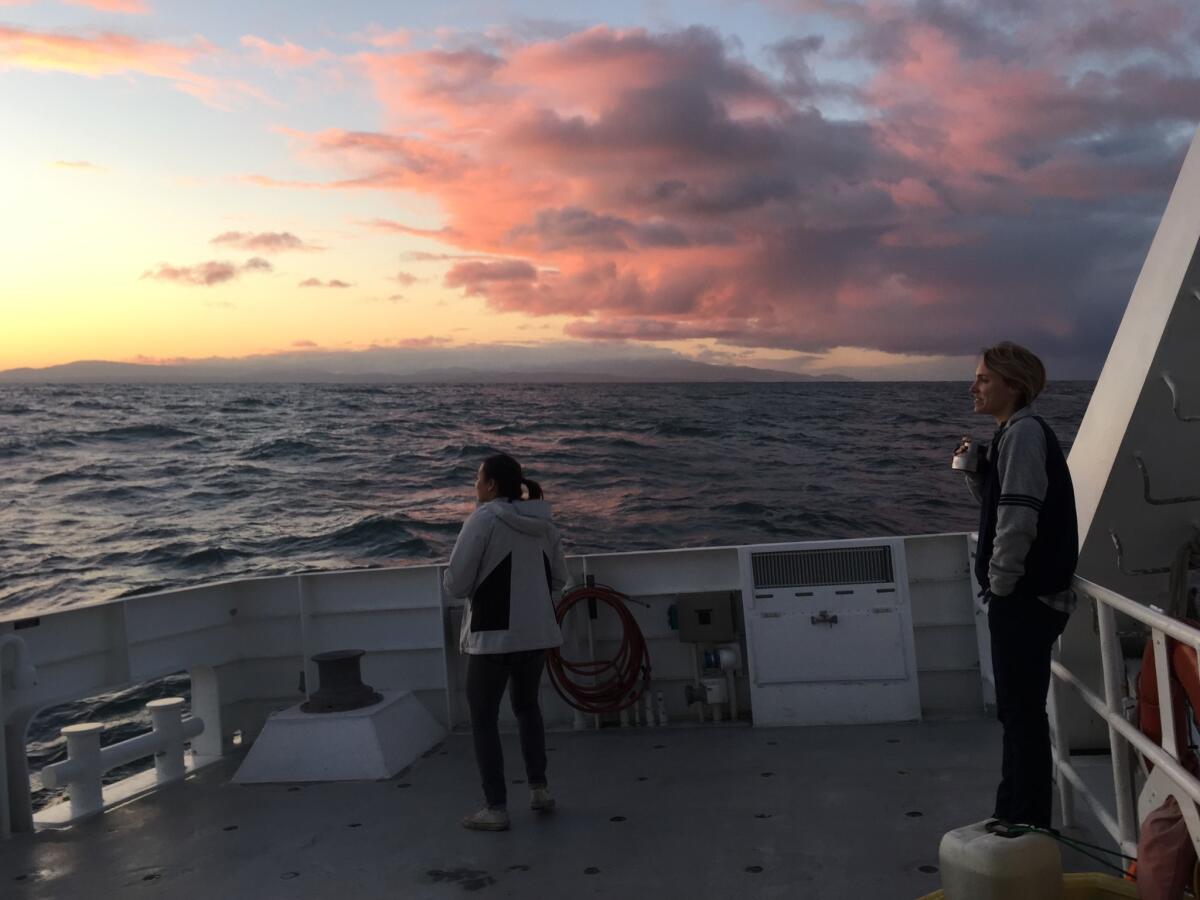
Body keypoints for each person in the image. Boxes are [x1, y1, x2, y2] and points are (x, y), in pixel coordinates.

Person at [957, 341, 1078, 830]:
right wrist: (976, 477)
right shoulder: (1013, 434)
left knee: (1022, 714)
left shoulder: (1024, 434)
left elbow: (1019, 518)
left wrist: (1002, 587)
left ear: (1014, 384)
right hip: (1023, 597)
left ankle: (1026, 822)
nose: (974, 387)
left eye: (984, 379)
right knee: (1017, 713)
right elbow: (1006, 500)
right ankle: (1011, 812)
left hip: (1025, 600)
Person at [443, 453, 569, 832]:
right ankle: (539, 789)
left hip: (493, 639)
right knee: (528, 707)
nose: (475, 485)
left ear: (492, 485)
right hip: (536, 635)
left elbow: (458, 583)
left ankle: (495, 807)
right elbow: (560, 579)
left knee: (483, 718)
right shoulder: (544, 523)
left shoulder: (483, 519)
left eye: (478, 478)